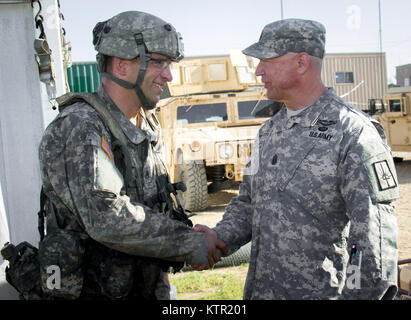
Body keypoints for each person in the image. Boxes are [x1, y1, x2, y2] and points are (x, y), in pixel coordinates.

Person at [194, 18, 400, 300]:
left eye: (266, 59)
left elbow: (372, 243)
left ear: (301, 63)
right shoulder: (268, 132)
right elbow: (248, 205)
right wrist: (218, 238)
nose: (257, 71)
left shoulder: (353, 133)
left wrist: (357, 297)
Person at [38, 11, 225, 300]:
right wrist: (188, 243)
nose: (169, 75)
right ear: (122, 65)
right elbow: (106, 215)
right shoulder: (80, 126)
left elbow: (154, 207)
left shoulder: (146, 123)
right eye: (159, 62)